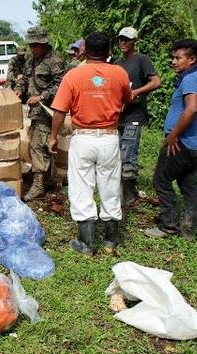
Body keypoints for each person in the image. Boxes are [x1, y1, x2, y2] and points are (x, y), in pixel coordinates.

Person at [48, 32, 132, 256]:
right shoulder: (120, 74)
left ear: (85, 50)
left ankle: (86, 244)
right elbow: (128, 98)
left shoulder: (74, 75)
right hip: (109, 138)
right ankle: (110, 243)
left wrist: (53, 136)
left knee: (81, 188)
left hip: (83, 137)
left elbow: (59, 111)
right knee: (111, 187)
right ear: (109, 51)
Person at [144, 39, 197, 240]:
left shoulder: (191, 80)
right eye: (172, 57)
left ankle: (169, 225)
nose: (173, 61)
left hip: (180, 143)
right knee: (189, 186)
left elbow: (192, 108)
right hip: (194, 144)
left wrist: (173, 135)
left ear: (192, 59)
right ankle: (189, 229)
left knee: (161, 180)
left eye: (178, 58)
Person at [16, 26, 65, 201]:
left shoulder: (55, 61)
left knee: (38, 145)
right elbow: (25, 79)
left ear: (43, 44)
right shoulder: (31, 60)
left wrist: (42, 96)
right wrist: (19, 90)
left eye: (35, 45)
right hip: (35, 111)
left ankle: (38, 184)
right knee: (40, 144)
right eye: (30, 45)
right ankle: (48, 178)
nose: (32, 48)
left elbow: (61, 85)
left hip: (49, 111)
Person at [115, 27, 162, 205]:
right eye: (121, 39)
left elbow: (156, 81)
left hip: (134, 114)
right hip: (118, 114)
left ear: (135, 41)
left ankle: (129, 193)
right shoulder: (117, 63)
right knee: (116, 154)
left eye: (127, 39)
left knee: (128, 154)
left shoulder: (141, 59)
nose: (123, 43)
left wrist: (136, 92)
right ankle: (119, 190)